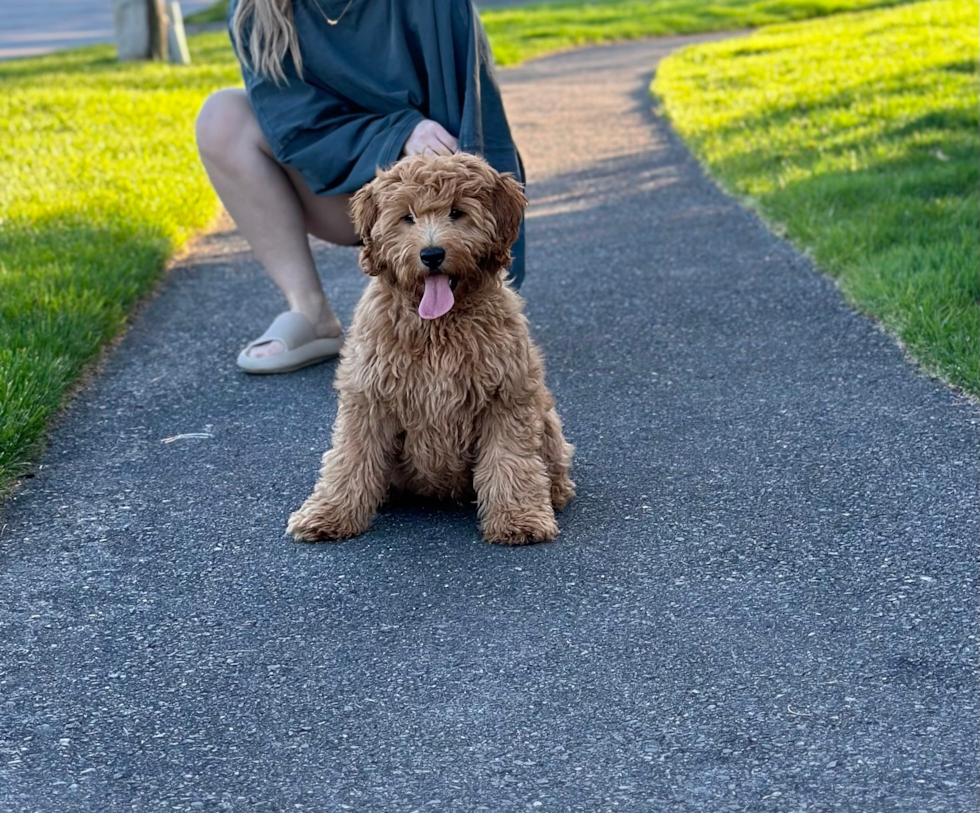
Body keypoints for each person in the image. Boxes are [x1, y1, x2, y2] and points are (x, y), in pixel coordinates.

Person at [195, 0, 526, 374]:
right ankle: (310, 311)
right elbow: (296, 127)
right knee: (222, 117)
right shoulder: (256, 10)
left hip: (436, 192)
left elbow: (477, 119)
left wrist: (494, 278)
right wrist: (399, 133)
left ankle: (451, 299)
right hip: (338, 195)